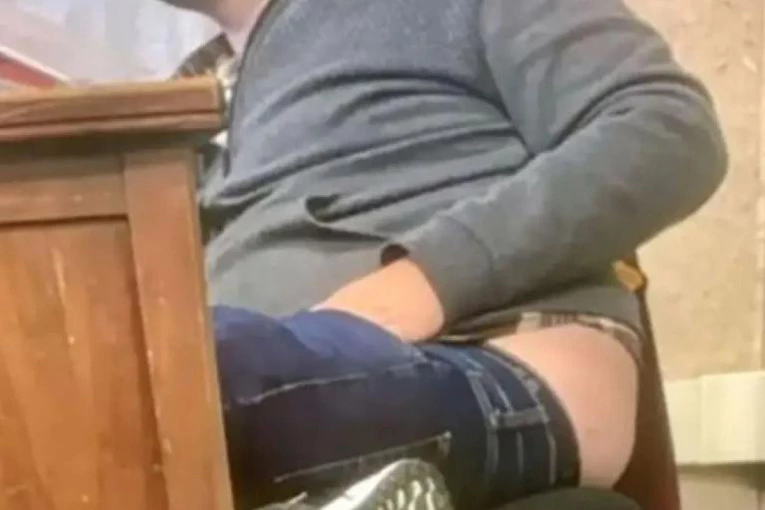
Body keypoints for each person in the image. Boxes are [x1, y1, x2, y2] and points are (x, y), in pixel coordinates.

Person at [164, 0, 727, 509]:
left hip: (485, 366)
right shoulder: (174, 107)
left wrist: (424, 282)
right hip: (252, 406)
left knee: (170, 378)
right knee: (139, 379)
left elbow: (669, 128)